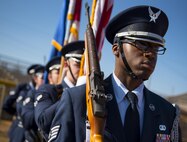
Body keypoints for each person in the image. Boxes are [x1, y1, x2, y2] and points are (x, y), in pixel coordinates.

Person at [48, 5, 181, 142]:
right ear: (116, 49)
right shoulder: (77, 100)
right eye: (142, 44)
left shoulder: (167, 113)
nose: (151, 54)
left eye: (156, 48)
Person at [34, 41, 85, 140]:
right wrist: (74, 95)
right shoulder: (49, 90)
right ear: (66, 65)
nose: (83, 70)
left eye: (85, 65)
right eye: (78, 64)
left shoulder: (90, 92)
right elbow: (42, 121)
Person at [3, 64, 41, 142]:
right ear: (35, 78)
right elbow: (6, 105)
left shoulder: (42, 91)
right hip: (19, 129)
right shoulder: (23, 88)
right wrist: (17, 114)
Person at [21, 65, 45, 142]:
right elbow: (27, 120)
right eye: (42, 78)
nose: (45, 80)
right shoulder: (31, 94)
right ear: (35, 79)